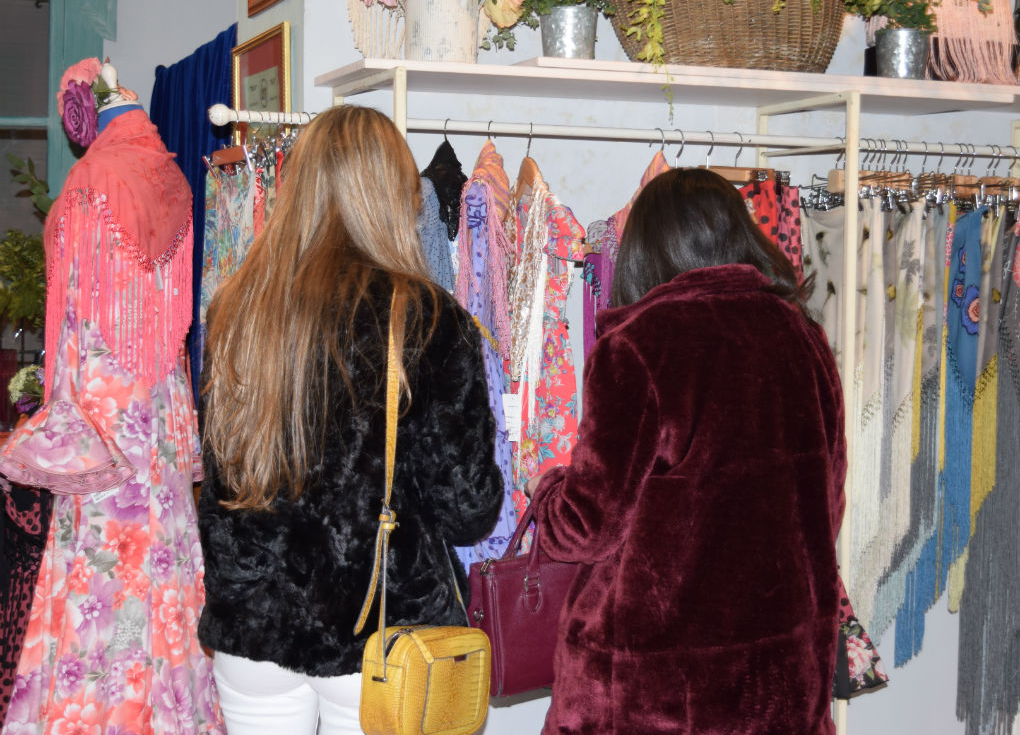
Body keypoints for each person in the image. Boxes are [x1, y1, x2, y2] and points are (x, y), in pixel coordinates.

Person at [197, 105, 503, 734]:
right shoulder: (427, 320)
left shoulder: (236, 310)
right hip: (378, 633)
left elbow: (220, 484)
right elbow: (469, 507)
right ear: (395, 196)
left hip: (254, 625)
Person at [526, 167, 847, 735]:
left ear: (644, 251)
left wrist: (543, 488)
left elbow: (586, 524)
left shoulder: (639, 346)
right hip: (780, 683)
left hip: (653, 691)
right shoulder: (804, 337)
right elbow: (828, 505)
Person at [0, 60, 222, 733]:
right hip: (155, 413)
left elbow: (71, 324)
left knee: (97, 577)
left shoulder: (90, 182)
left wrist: (58, 416)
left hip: (102, 415)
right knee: (163, 577)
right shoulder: (174, 183)